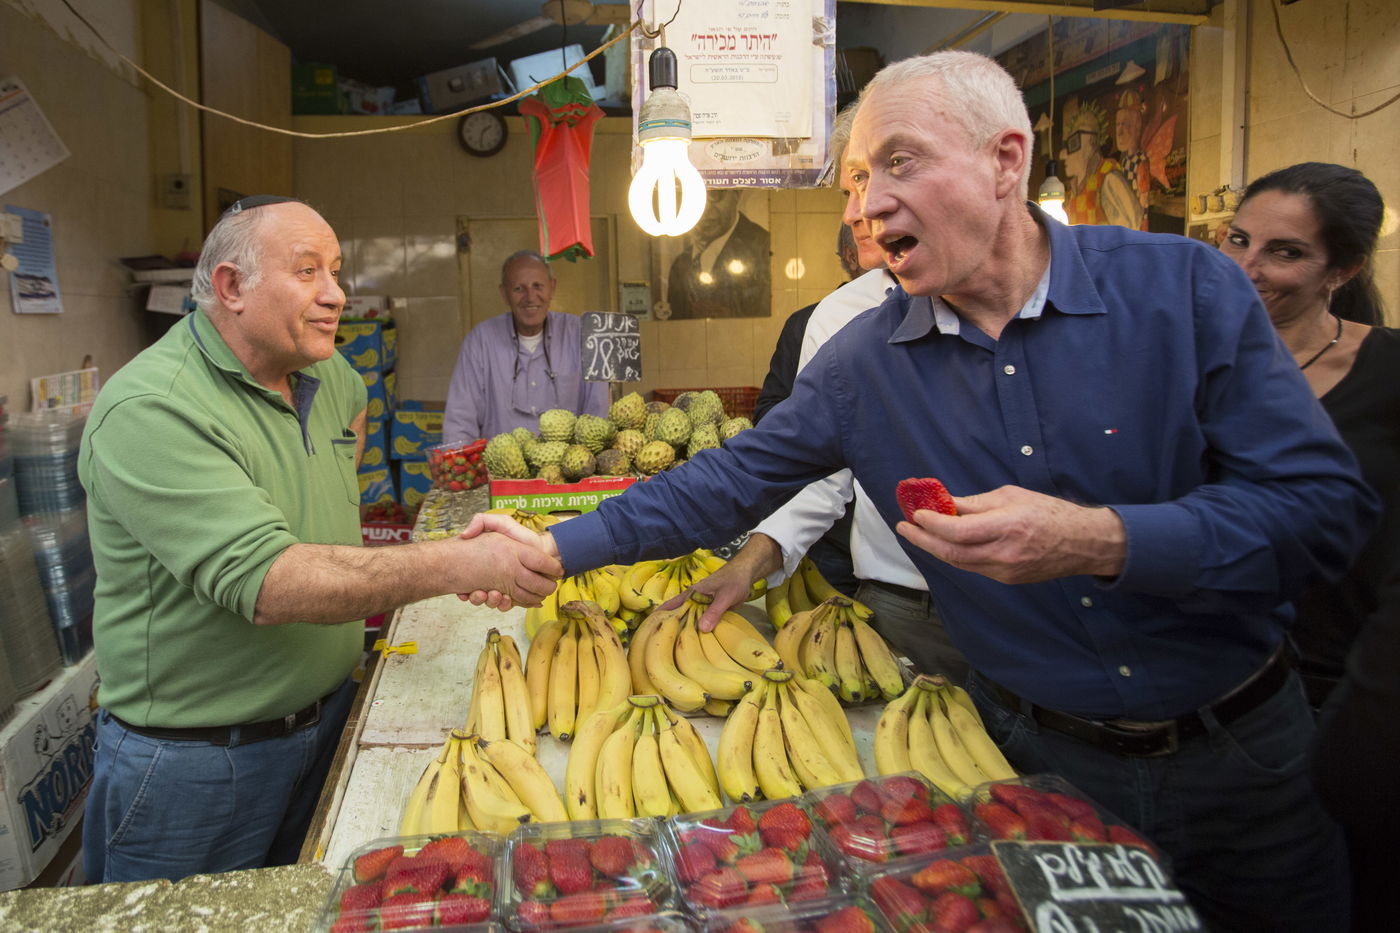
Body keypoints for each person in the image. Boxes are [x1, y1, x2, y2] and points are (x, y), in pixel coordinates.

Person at [541, 52, 1377, 931]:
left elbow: (1326, 513)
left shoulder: (1183, 290)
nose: (866, 203)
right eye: (858, 179)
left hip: (1246, 761)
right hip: (1030, 764)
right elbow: (723, 483)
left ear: (1006, 161)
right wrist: (541, 551)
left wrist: (1103, 539)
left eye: (898, 162)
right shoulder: (862, 363)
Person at [78, 197, 562, 884]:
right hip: (196, 766)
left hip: (326, 721)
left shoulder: (326, 372)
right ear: (230, 287)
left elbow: (355, 407)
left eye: (335, 271)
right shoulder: (150, 409)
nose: (336, 294)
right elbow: (271, 583)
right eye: (308, 272)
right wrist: (462, 558)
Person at [1219, 161, 1398, 710]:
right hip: (1216, 678)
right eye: (1239, 240)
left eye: (1285, 252)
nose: (1246, 267)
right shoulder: (1184, 364)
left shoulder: (1389, 370)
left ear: (1342, 270)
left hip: (1344, 682)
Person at [751, 223, 863, 596]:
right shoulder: (811, 323)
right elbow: (770, 411)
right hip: (829, 529)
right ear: (853, 254)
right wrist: (808, 432)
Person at [442, 250, 608, 443]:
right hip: (498, 471)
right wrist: (459, 467)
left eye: (538, 286)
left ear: (552, 288)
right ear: (504, 293)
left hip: (570, 470)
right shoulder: (480, 341)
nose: (530, 297)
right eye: (519, 288)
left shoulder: (583, 335)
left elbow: (599, 413)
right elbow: (460, 420)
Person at [665, 188, 772, 319]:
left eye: (715, 194)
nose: (704, 209)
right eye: (692, 198)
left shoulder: (764, 248)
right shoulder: (680, 266)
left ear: (737, 194)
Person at [1059, 97, 1142, 230]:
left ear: (1091, 141)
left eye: (1073, 143)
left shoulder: (1108, 179)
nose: (1063, 154)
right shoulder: (1073, 193)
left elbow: (1131, 230)